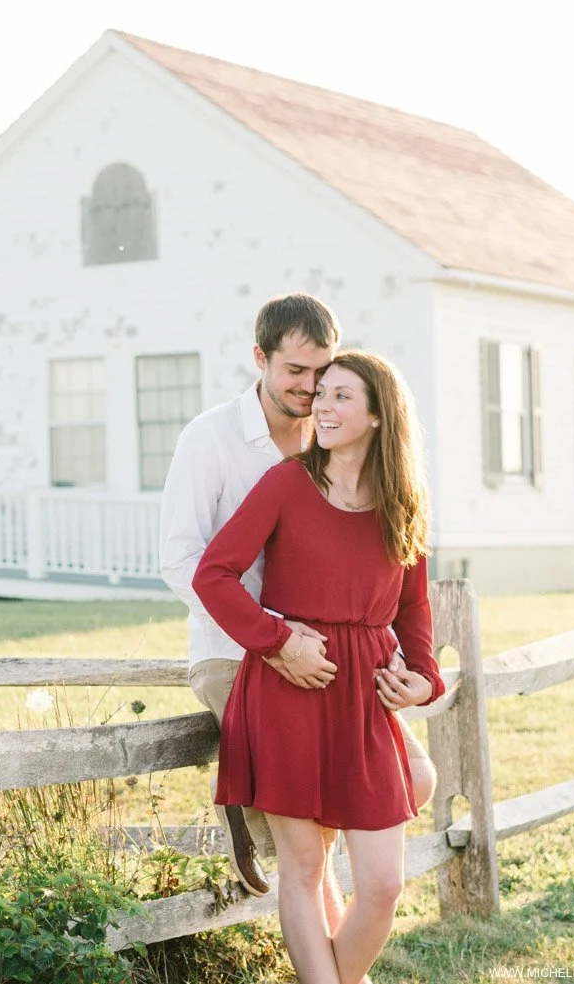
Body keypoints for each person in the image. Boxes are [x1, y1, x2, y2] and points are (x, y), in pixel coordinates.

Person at [159, 294, 435, 919]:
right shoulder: (210, 439)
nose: (312, 389)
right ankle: (248, 808)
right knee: (307, 848)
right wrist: (277, 638)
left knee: (414, 778)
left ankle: (332, 948)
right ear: (260, 359)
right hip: (233, 650)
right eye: (295, 371)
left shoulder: (331, 427)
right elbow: (180, 560)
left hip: (334, 655)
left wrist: (392, 653)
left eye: (323, 372)